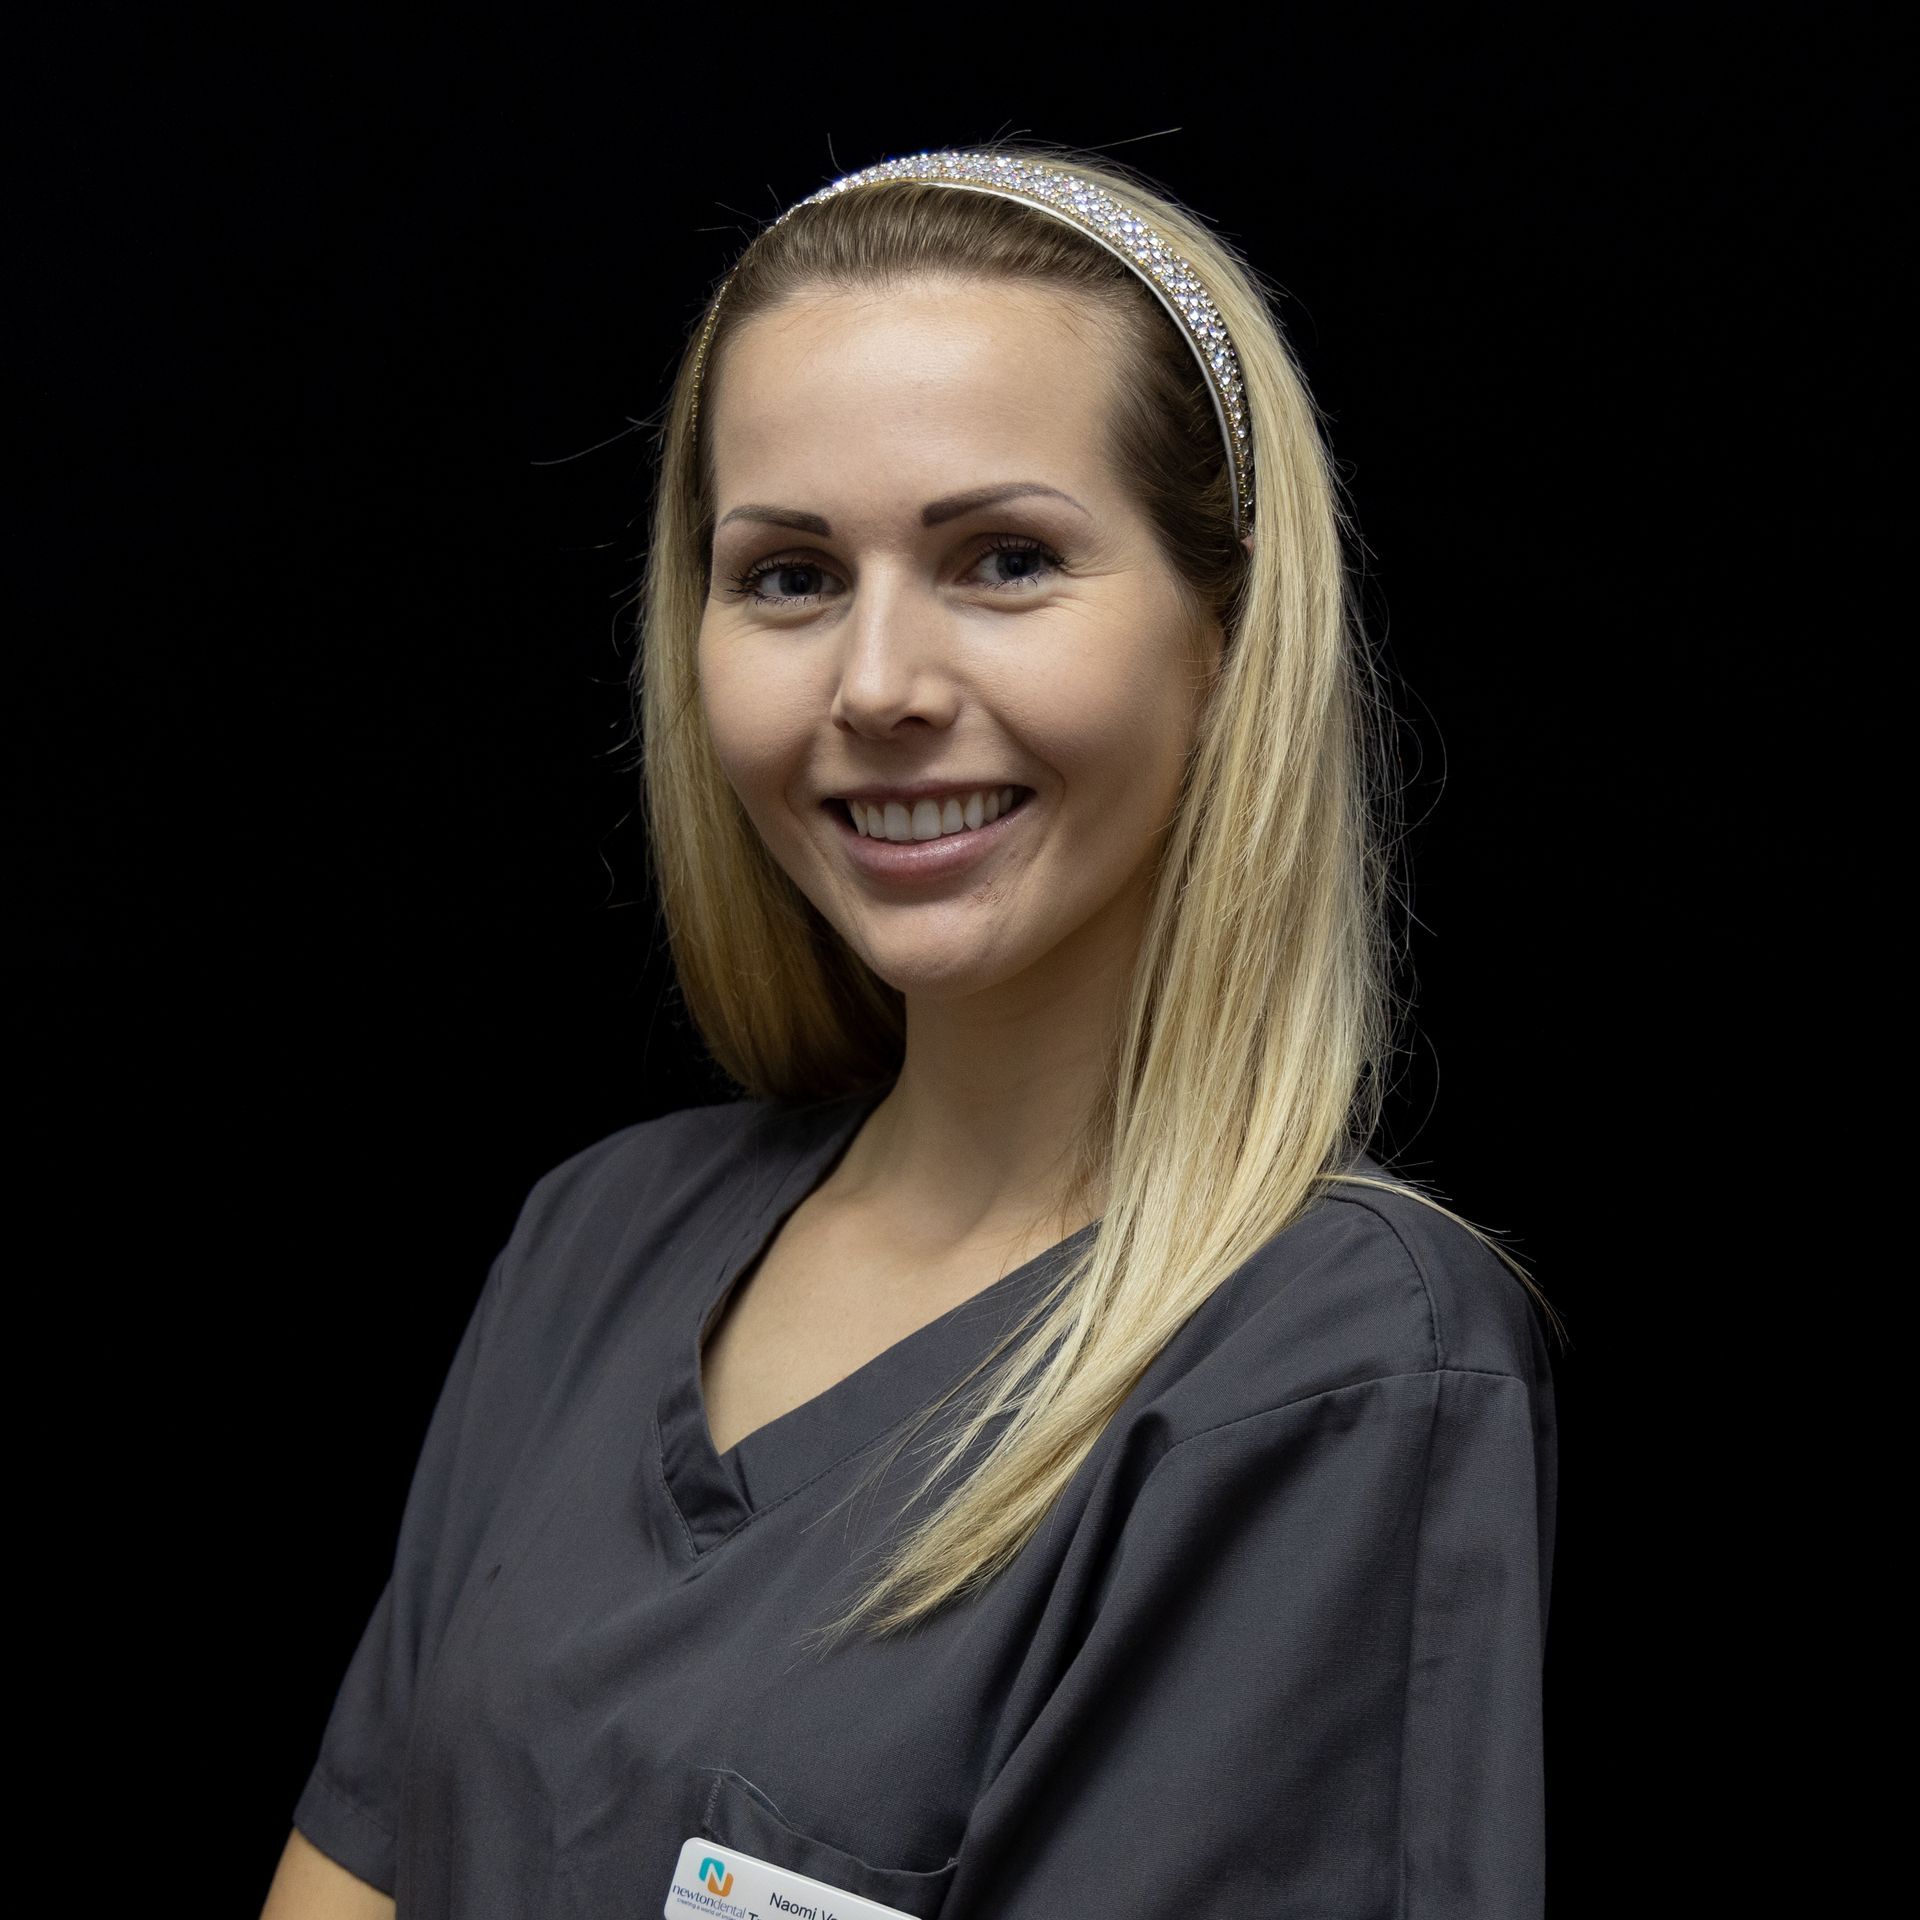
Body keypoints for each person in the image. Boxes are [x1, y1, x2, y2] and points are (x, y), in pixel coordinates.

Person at [261, 142, 1566, 1920]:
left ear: (1227, 631)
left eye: (1006, 558)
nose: (877, 685)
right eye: (789, 576)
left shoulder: (1329, 1369)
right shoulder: (598, 1242)